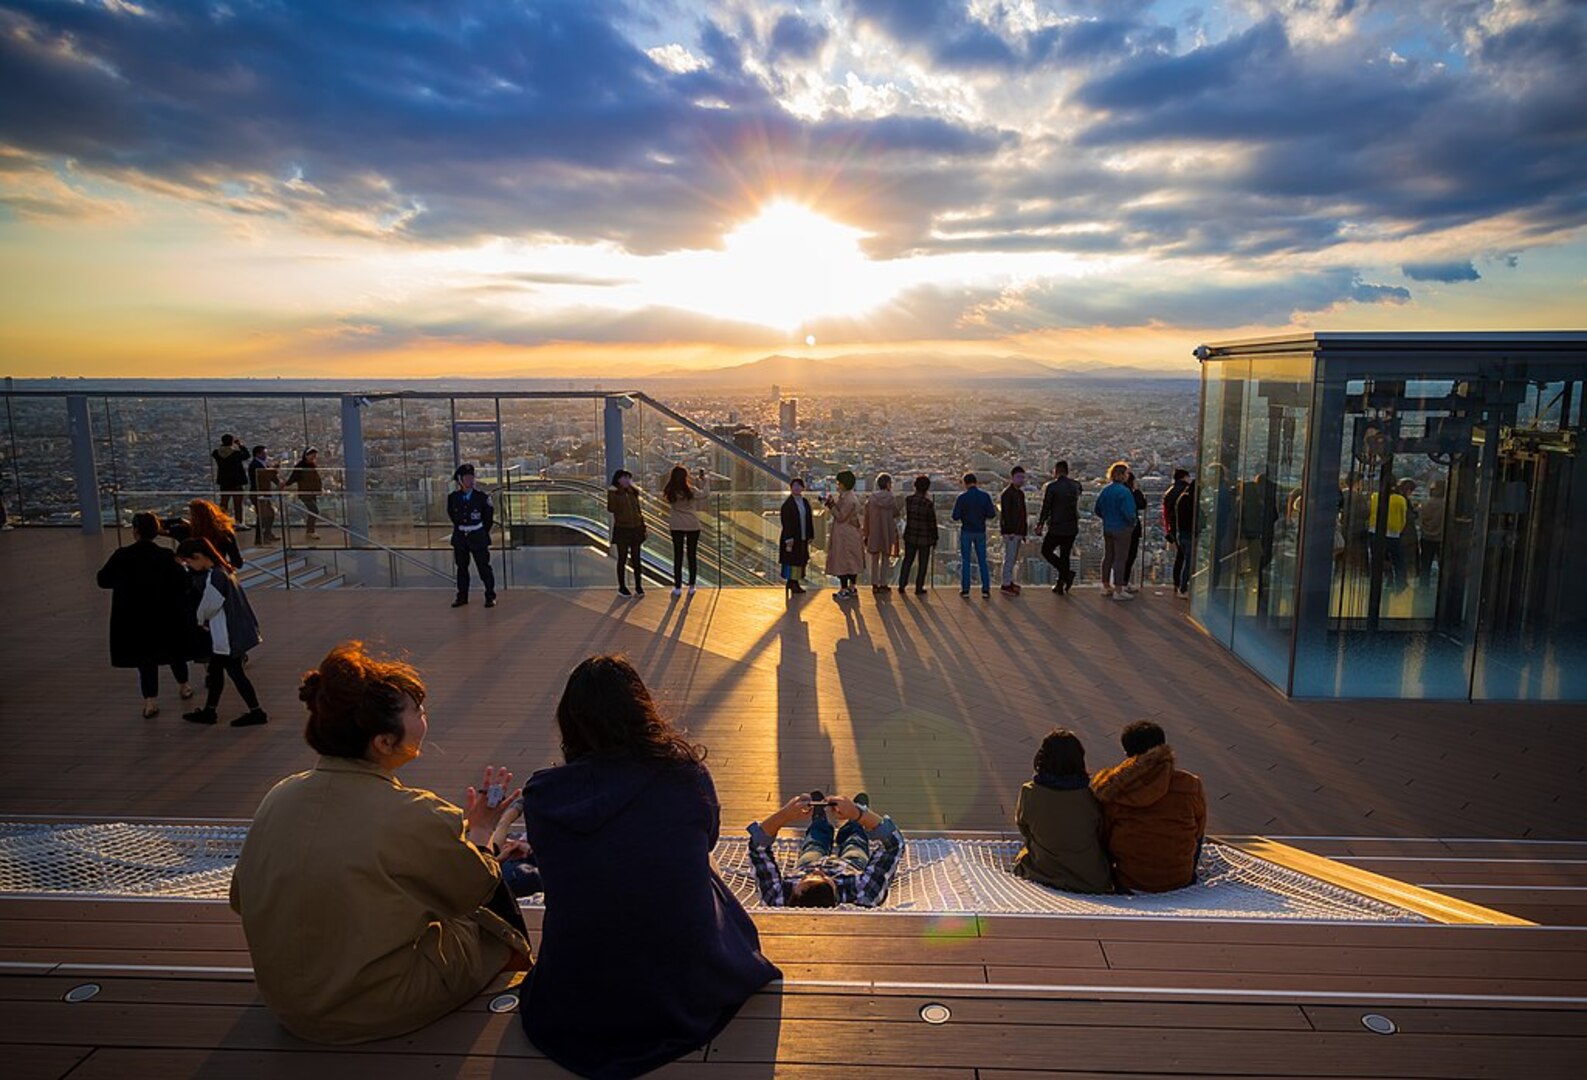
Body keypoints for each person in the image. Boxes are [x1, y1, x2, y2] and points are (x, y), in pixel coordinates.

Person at [229, 642, 531, 1044]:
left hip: (288, 1002)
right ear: (384, 743)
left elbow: (238, 898)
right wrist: (480, 832)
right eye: (417, 712)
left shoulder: (280, 795)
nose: (425, 718)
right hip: (371, 1008)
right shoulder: (416, 813)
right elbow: (477, 889)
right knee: (489, 923)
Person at [518, 656, 779, 1078]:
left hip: (579, 994)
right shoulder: (684, 774)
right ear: (642, 710)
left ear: (570, 722)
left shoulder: (544, 795)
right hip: (682, 987)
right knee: (701, 877)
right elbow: (706, 841)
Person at [97, 511, 195, 718]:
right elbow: (184, 582)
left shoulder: (122, 555)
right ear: (155, 532)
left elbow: (103, 580)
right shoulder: (166, 556)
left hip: (134, 616)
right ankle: (184, 685)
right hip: (165, 613)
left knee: (145, 659)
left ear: (135, 532)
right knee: (174, 651)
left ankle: (150, 702)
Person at [1091, 720, 1207, 893]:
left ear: (1127, 753)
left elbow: (1105, 836)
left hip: (1130, 880)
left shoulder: (1115, 789)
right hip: (1180, 879)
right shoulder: (1190, 784)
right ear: (1163, 748)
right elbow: (1199, 830)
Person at [748, 791, 904, 908]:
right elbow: (893, 844)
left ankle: (819, 819)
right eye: (825, 879)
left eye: (805, 881)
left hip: (806, 865)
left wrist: (785, 815)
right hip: (849, 866)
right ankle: (854, 820)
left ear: (794, 894)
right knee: (855, 842)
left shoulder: (777, 898)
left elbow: (758, 848)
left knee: (814, 842)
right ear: (835, 897)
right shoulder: (862, 894)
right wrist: (858, 814)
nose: (817, 871)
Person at [174, 537, 266, 727]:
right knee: (219, 672)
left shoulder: (215, 576)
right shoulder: (224, 571)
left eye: (189, 562)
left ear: (198, 557)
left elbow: (209, 606)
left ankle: (255, 711)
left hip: (226, 635)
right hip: (231, 633)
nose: (189, 566)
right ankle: (212, 711)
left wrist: (200, 620)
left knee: (232, 673)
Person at [1013, 729, 1113, 894]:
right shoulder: (1090, 796)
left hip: (1043, 872)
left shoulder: (1030, 792)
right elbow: (1101, 833)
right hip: (1090, 879)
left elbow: (1024, 829)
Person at [448, 463, 497, 609]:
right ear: (460, 480)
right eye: (467, 478)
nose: (470, 480)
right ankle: (462, 596)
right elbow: (453, 516)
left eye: (472, 477)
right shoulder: (453, 498)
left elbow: (488, 519)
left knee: (484, 568)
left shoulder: (482, 498)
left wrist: (480, 532)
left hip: (478, 536)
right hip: (461, 538)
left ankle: (490, 596)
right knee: (462, 568)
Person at [1094, 462, 1138, 601]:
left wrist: (1107, 518)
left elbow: (1097, 509)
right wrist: (1132, 523)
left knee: (1108, 557)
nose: (1127, 476)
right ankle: (1118, 589)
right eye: (1126, 473)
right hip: (1122, 528)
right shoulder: (1124, 492)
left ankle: (1106, 586)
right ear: (1122, 475)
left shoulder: (1106, 490)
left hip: (1108, 527)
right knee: (1120, 558)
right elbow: (1129, 512)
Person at [1036, 460, 1082, 594]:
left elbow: (1046, 507)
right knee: (1065, 555)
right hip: (1072, 526)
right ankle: (1061, 583)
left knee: (1046, 551)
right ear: (1067, 471)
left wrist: (1040, 524)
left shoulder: (1052, 487)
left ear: (1056, 471)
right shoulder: (1076, 485)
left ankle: (1066, 575)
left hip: (1057, 526)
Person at [663, 464, 709, 596]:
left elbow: (667, 499)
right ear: (685, 477)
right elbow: (705, 494)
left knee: (678, 556)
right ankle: (692, 586)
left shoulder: (670, 491)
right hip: (692, 524)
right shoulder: (690, 491)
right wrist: (705, 482)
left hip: (676, 525)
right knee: (691, 555)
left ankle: (677, 587)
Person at [165, 498, 245, 571]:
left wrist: (178, 520)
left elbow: (157, 527)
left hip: (194, 576)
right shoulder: (224, 533)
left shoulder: (185, 531)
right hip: (216, 573)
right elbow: (237, 562)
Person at [951, 472, 997, 598]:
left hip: (966, 530)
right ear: (976, 482)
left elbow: (955, 516)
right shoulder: (985, 496)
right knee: (982, 560)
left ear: (965, 484)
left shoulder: (962, 498)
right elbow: (991, 514)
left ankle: (965, 590)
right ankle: (985, 589)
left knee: (966, 560)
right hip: (980, 531)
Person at [824, 470, 865, 600]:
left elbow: (841, 516)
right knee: (852, 561)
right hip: (851, 533)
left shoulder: (847, 499)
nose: (837, 485)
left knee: (842, 561)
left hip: (844, 535)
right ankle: (852, 587)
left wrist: (830, 505)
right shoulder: (850, 496)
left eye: (839, 483)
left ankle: (844, 589)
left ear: (843, 484)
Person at [608, 468, 646, 597]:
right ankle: (622, 587)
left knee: (636, 559)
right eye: (624, 478)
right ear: (618, 479)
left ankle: (638, 586)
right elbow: (611, 508)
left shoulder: (632, 492)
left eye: (628, 478)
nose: (627, 480)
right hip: (622, 529)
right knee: (622, 558)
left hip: (636, 528)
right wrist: (612, 492)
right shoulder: (615, 493)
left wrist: (643, 527)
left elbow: (638, 511)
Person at [898, 474, 938, 595]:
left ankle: (902, 584)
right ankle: (919, 587)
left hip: (910, 534)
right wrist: (935, 538)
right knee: (923, 563)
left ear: (915, 486)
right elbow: (932, 522)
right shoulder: (928, 503)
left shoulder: (909, 500)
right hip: (924, 537)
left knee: (907, 560)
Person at [1367, 478, 1409, 591]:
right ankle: (1401, 583)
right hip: (1393, 533)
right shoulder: (1400, 499)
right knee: (1398, 560)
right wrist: (1399, 529)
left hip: (1374, 531)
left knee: (1377, 558)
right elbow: (1403, 517)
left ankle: (1379, 581)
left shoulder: (1375, 496)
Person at [861, 472, 900, 594]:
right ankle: (884, 583)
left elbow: (866, 516)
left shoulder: (871, 499)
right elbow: (895, 513)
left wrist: (866, 533)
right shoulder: (891, 498)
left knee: (874, 559)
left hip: (874, 531)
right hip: (887, 531)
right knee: (885, 558)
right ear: (888, 484)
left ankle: (874, 584)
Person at [779, 476, 814, 597]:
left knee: (800, 560)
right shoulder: (787, 504)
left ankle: (794, 582)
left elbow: (809, 519)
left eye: (799, 486)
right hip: (792, 538)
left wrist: (810, 535)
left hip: (802, 536)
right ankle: (792, 583)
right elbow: (786, 522)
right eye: (794, 486)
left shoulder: (804, 502)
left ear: (803, 488)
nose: (797, 488)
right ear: (791, 488)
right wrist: (788, 538)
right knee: (792, 560)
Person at [999, 466, 1029, 596]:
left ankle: (1009, 581)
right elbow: (1005, 514)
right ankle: (1005, 584)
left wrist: (1023, 532)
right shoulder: (1007, 494)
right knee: (1009, 558)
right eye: (1018, 477)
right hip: (1011, 532)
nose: (1021, 480)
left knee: (1013, 558)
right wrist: (1007, 531)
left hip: (1018, 532)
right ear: (1012, 478)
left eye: (1022, 477)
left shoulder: (1020, 494)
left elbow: (1023, 513)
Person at [1162, 469, 1191, 596]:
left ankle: (1176, 582)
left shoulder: (1169, 492)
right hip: (1186, 526)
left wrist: (1168, 529)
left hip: (1174, 527)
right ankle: (1184, 585)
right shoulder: (1187, 491)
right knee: (1188, 557)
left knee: (1179, 556)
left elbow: (1165, 514)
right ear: (1185, 477)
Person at [284, 448, 324, 541]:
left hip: (311, 492)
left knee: (313, 511)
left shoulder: (311, 465)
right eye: (312, 455)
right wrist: (286, 484)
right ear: (306, 455)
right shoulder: (301, 465)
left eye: (315, 456)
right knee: (314, 511)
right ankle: (310, 531)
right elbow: (293, 477)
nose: (314, 457)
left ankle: (310, 531)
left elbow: (316, 479)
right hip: (305, 493)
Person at [212, 434, 249, 523]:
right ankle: (239, 522)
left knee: (224, 504)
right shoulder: (236, 454)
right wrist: (240, 445)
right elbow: (247, 455)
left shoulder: (216, 453)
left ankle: (222, 522)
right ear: (232, 442)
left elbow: (217, 452)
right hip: (236, 482)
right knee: (238, 504)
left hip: (224, 482)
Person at [1122, 470, 1148, 590]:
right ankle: (1123, 583)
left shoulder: (1114, 490)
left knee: (1118, 556)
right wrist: (1137, 490)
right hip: (1131, 528)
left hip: (1116, 528)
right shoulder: (1130, 493)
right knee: (1130, 555)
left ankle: (1115, 583)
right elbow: (1142, 504)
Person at [247, 446, 278, 544]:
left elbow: (269, 476)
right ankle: (259, 538)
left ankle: (267, 534)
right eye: (264, 453)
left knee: (270, 514)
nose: (266, 455)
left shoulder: (262, 464)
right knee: (262, 516)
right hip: (258, 493)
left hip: (264, 493)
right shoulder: (255, 465)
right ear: (258, 454)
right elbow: (265, 476)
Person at [1172, 476, 1197, 597]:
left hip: (1181, 534)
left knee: (1184, 561)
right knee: (1189, 562)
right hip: (1189, 534)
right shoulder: (1192, 501)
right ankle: (1183, 588)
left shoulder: (1182, 498)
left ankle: (1180, 586)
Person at [1419, 479, 1446, 585]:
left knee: (1425, 566)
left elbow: (1421, 521)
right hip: (1441, 539)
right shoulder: (1446, 505)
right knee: (1443, 566)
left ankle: (1424, 586)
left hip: (1426, 538)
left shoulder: (1425, 504)